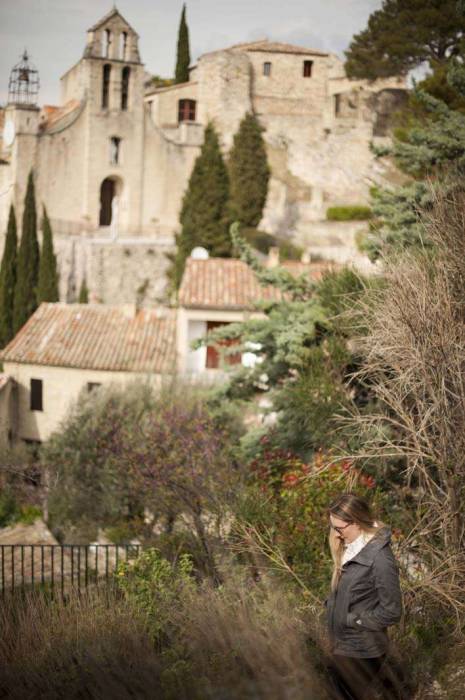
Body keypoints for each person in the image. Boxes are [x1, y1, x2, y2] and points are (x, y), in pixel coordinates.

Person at [323, 493, 407, 700]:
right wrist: (332, 605)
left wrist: (353, 620)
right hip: (343, 644)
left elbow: (392, 612)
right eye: (332, 527)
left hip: (363, 649)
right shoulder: (351, 549)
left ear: (357, 522)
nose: (336, 534)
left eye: (339, 528)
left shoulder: (380, 559)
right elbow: (355, 593)